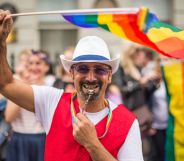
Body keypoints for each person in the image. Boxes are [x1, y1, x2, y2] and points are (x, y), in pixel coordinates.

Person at [0, 11, 143, 161]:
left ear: (109, 75)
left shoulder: (127, 122)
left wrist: (92, 144)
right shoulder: (53, 102)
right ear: (72, 74)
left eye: (99, 69)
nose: (91, 77)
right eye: (83, 69)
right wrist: (2, 41)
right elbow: (6, 84)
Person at [5, 49, 51, 161]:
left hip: (41, 140)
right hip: (19, 139)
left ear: (46, 67)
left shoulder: (51, 88)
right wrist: (24, 86)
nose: (34, 67)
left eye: (38, 63)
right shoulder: (18, 84)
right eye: (30, 63)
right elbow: (9, 117)